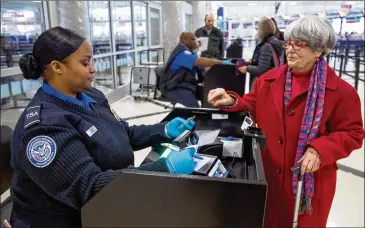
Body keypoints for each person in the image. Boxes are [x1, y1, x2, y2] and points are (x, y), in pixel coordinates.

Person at [9, 26, 202, 228]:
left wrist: (163, 131)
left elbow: (123, 133)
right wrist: (165, 168)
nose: (93, 68)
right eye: (84, 63)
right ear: (57, 67)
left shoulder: (91, 96)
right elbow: (89, 189)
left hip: (112, 200)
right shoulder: (44, 127)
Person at [207, 16, 364, 227]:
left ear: (318, 50)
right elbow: (251, 104)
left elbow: (352, 133)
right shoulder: (269, 80)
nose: (290, 49)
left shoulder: (341, 92)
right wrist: (231, 100)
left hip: (308, 183)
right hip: (269, 174)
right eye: (288, 42)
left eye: (299, 44)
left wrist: (320, 149)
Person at [160, 32, 232, 108]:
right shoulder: (182, 53)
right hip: (173, 87)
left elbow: (203, 67)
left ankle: (206, 114)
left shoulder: (190, 53)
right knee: (194, 106)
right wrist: (221, 63)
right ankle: (193, 118)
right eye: (194, 39)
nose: (196, 42)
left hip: (184, 84)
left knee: (208, 95)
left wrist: (219, 69)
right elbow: (199, 61)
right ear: (185, 40)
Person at [238, 17, 285, 90]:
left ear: (262, 30)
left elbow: (262, 70)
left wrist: (247, 68)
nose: (257, 32)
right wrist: (254, 61)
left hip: (265, 84)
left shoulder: (266, 46)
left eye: (258, 29)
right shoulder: (276, 42)